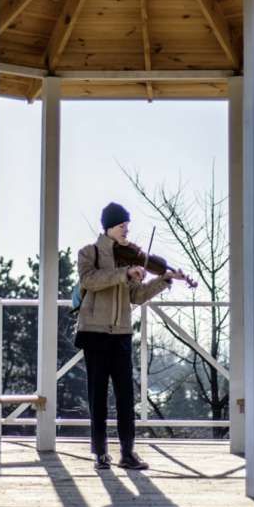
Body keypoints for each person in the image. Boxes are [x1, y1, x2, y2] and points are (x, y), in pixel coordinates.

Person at [75, 202, 185, 471]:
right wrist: (124, 273)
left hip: (122, 334)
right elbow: (90, 280)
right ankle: (100, 454)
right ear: (109, 227)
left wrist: (163, 280)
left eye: (127, 226)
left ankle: (128, 453)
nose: (126, 231)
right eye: (122, 226)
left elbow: (136, 295)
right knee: (97, 397)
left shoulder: (131, 258)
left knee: (126, 396)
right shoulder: (88, 253)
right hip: (94, 332)